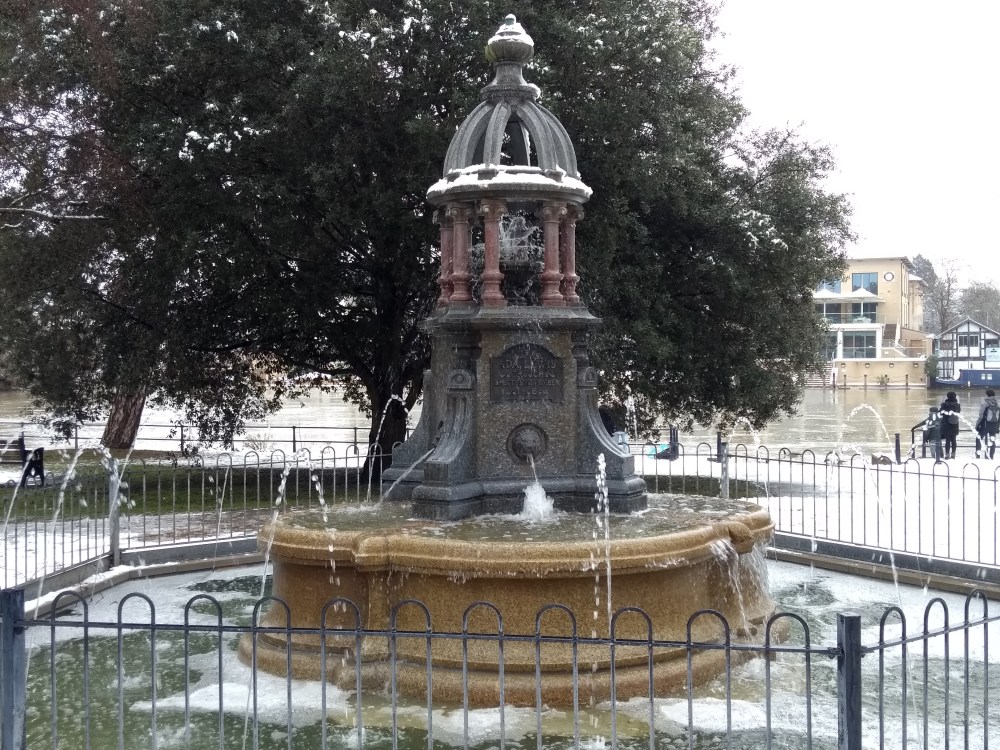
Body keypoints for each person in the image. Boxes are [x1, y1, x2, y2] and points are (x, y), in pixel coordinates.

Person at [975, 388, 1000, 459]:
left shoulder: (985, 404)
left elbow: (981, 416)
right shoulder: (997, 404)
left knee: (979, 438)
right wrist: (997, 427)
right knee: (992, 440)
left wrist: (977, 425)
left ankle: (978, 455)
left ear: (987, 395)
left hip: (985, 425)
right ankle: (991, 456)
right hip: (994, 425)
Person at [939, 391, 961, 459]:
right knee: (953, 439)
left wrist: (941, 406)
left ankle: (947, 454)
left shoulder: (945, 404)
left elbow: (941, 413)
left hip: (947, 424)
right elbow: (959, 411)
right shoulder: (957, 404)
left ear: (947, 396)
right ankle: (953, 453)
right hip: (955, 424)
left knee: (947, 440)